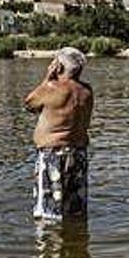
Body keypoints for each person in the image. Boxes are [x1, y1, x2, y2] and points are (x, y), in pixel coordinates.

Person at [24, 48, 94, 221]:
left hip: (52, 155)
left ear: (59, 67)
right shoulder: (87, 92)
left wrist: (47, 78)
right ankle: (76, 244)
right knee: (75, 213)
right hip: (78, 154)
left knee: (47, 215)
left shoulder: (50, 88)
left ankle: (48, 246)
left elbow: (29, 104)